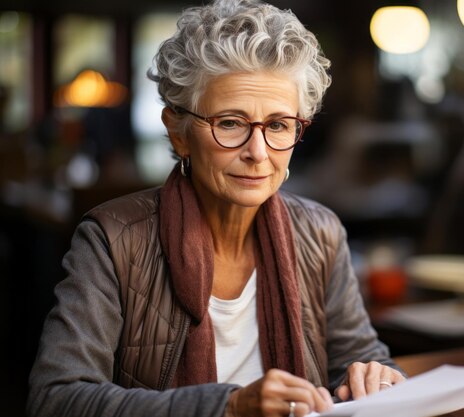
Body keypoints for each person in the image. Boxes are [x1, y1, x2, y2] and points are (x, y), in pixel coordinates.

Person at [27, 1, 405, 416]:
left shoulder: (320, 231)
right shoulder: (112, 239)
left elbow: (365, 359)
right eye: (230, 123)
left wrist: (375, 376)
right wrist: (227, 406)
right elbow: (56, 399)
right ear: (179, 132)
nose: (258, 152)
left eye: (278, 125)